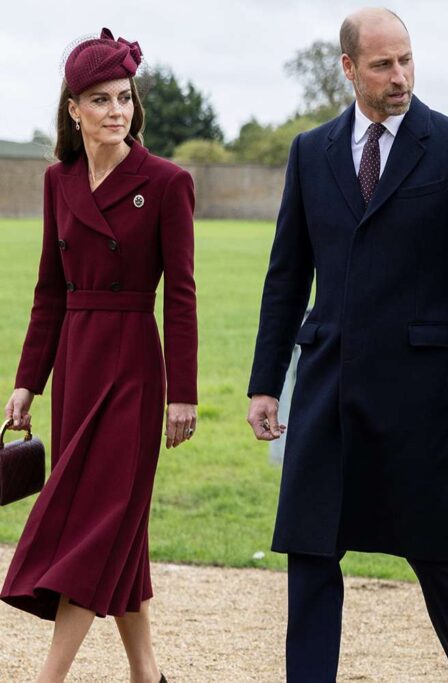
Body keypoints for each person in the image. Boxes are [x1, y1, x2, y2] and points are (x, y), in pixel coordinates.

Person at [246, 8, 448, 682]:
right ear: (348, 69)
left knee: (441, 558)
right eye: (382, 64)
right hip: (326, 385)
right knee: (309, 553)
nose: (400, 76)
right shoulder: (312, 152)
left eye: (406, 60)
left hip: (417, 395)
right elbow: (286, 275)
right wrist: (264, 381)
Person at [1, 27, 198, 683]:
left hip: (136, 370)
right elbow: (47, 293)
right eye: (102, 99)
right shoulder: (58, 182)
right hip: (78, 367)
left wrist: (183, 393)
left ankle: (47, 676)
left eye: (124, 97)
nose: (118, 111)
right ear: (73, 109)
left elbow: (182, 299)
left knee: (95, 524)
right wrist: (28, 383)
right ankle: (149, 673)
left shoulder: (168, 182)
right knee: (113, 529)